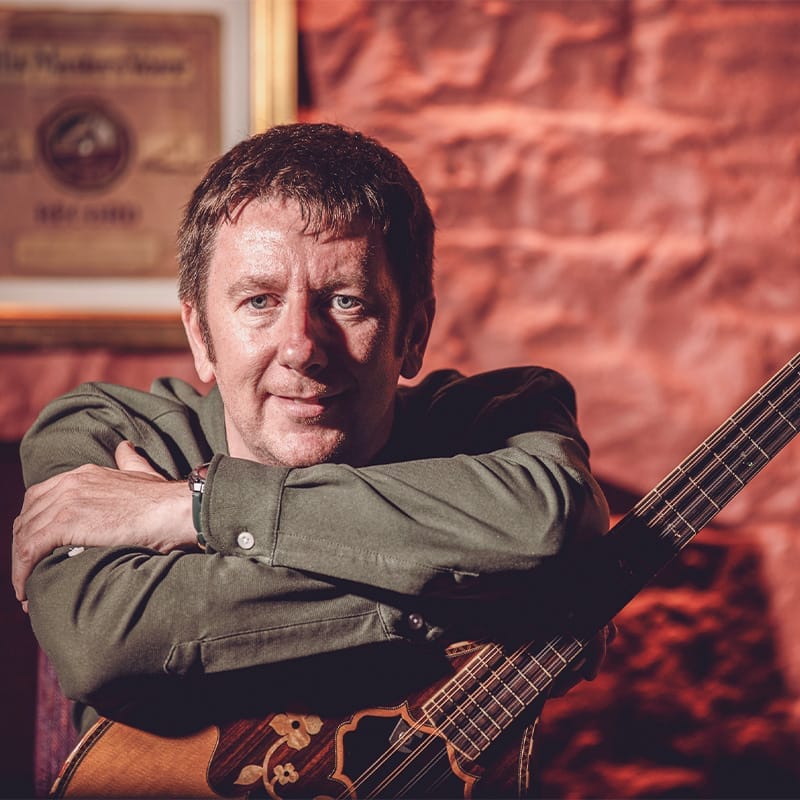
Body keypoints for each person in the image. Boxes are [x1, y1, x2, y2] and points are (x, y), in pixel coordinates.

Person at [12, 123, 610, 795]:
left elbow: (549, 525)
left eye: (345, 301)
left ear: (412, 334)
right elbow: (104, 644)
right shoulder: (102, 434)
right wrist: (467, 597)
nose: (301, 347)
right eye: (259, 301)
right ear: (200, 334)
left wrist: (201, 508)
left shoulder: (500, 415)